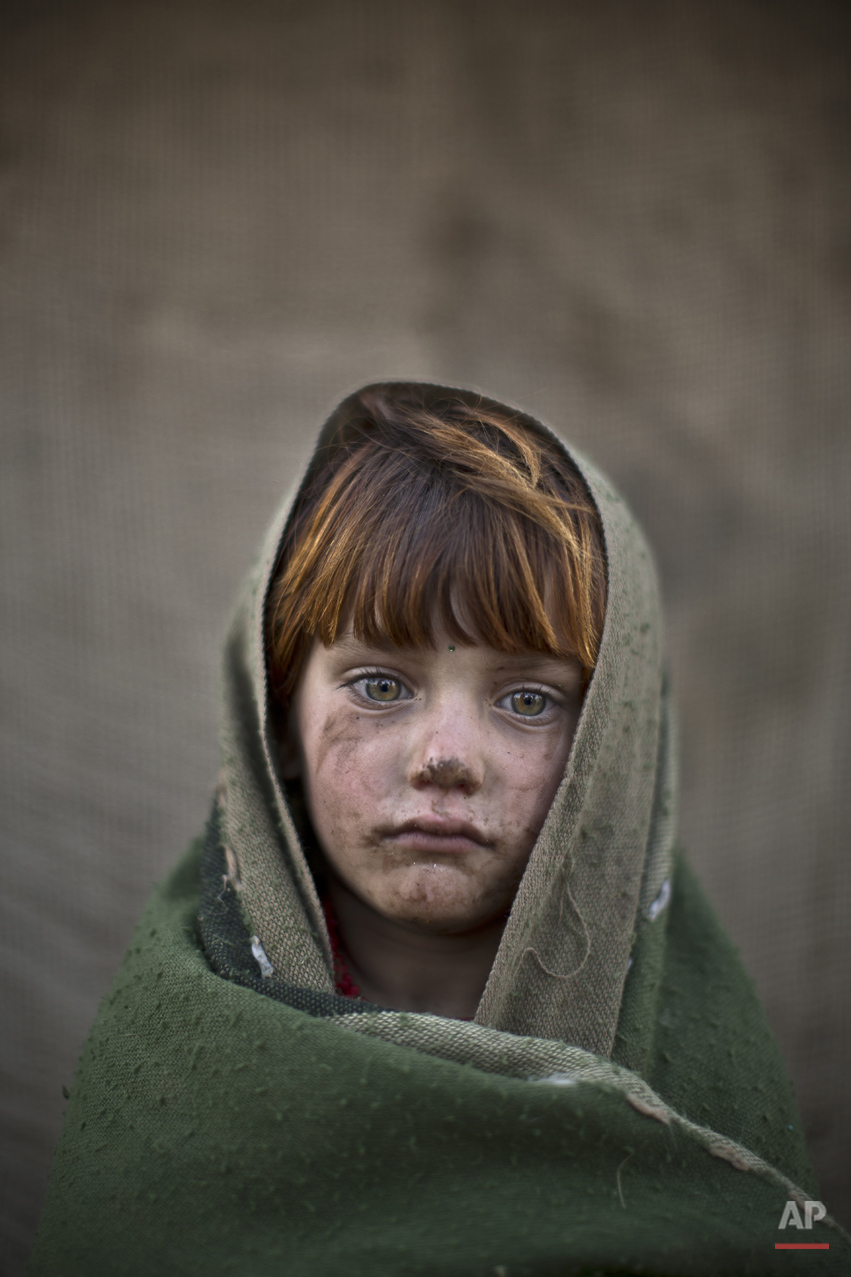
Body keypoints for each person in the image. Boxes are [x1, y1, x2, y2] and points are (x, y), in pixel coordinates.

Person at [30, 383, 847, 1275]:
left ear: (608, 754)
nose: (446, 757)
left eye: (528, 699)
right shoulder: (165, 1088)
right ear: (275, 722)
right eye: (379, 685)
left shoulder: (709, 1091)